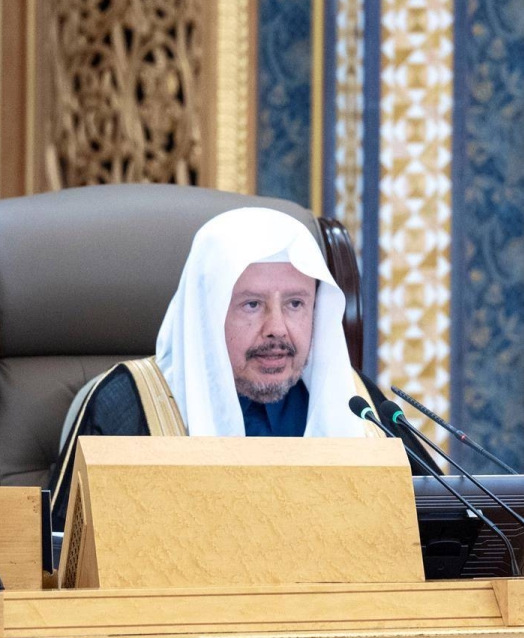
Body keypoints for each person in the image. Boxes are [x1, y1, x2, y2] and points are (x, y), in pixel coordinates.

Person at [47, 207, 428, 529]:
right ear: (206, 314)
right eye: (252, 304)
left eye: (295, 304)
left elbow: (439, 538)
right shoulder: (129, 403)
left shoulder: (356, 405)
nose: (277, 328)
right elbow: (63, 560)